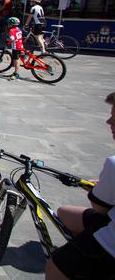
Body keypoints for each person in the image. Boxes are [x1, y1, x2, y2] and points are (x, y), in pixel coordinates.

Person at [46, 91, 115, 279]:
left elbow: (100, 208)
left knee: (54, 265)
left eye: (114, 118)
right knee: (63, 213)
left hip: (111, 243)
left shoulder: (113, 163)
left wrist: (95, 190)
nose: (108, 122)